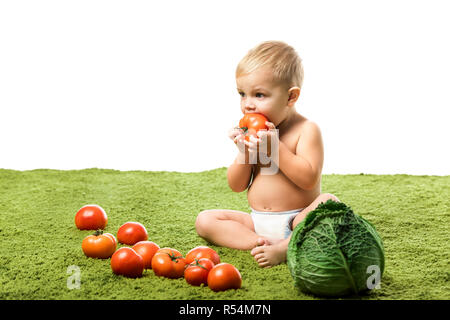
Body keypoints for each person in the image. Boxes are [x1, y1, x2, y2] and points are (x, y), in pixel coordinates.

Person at [195, 40, 339, 268]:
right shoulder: (256, 133)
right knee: (205, 220)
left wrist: (276, 150)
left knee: (329, 203)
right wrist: (243, 154)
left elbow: (309, 178)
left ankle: (287, 245)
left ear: (291, 97)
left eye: (259, 95)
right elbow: (237, 185)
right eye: (243, 94)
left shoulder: (307, 130)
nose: (248, 105)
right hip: (257, 221)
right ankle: (260, 242)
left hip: (297, 219)